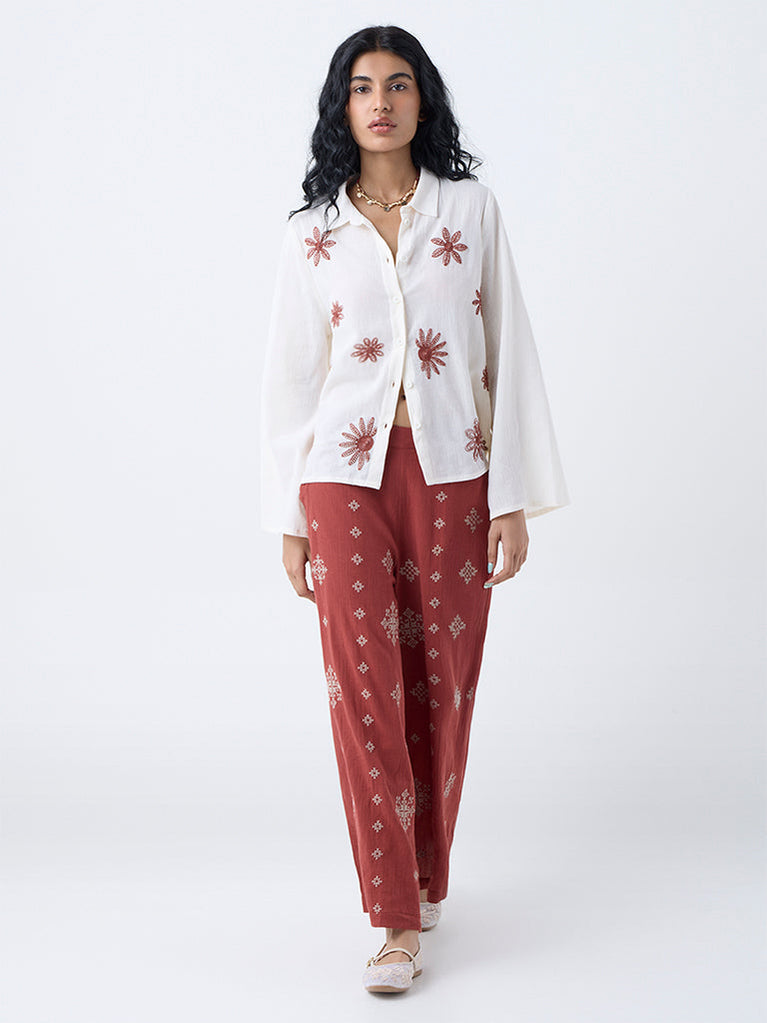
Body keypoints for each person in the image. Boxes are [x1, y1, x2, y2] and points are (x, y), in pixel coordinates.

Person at [260, 25, 570, 994]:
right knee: (365, 690)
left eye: (397, 85)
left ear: (421, 99)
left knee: (443, 683)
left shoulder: (468, 210)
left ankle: (427, 875)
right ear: (341, 107)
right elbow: (290, 378)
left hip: (452, 471)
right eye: (362, 88)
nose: (380, 102)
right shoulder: (311, 231)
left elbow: (507, 349)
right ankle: (394, 917)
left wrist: (510, 498)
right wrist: (288, 515)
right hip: (341, 479)